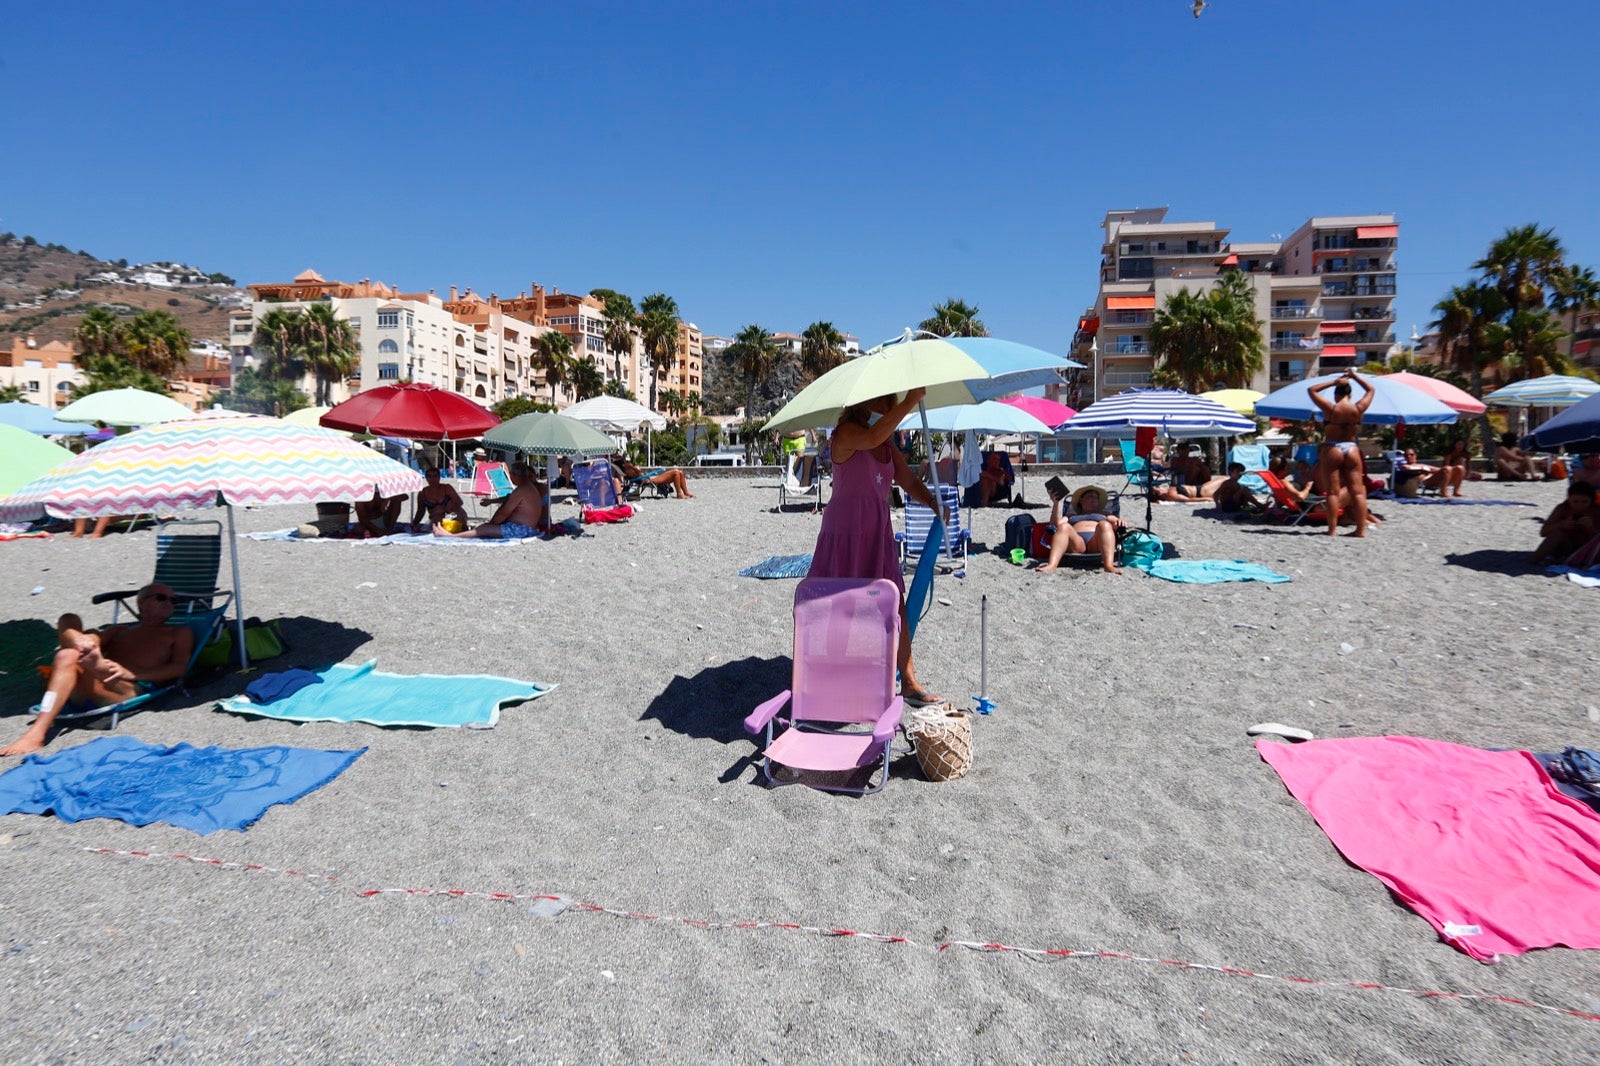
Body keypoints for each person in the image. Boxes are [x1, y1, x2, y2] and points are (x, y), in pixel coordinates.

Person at [809, 388, 945, 706]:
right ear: (860, 404)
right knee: (842, 605)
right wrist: (911, 399)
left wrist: (932, 502)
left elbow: (907, 480)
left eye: (888, 405)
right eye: (877, 402)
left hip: (877, 532)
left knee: (893, 603)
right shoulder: (847, 433)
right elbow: (869, 438)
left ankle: (909, 682)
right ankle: (834, 678)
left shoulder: (884, 443)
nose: (882, 408)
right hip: (845, 532)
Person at [2, 584, 196, 757]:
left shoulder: (178, 632)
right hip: (93, 680)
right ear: (142, 603)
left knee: (74, 654)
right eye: (161, 598)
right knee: (68, 632)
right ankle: (38, 731)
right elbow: (93, 642)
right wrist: (84, 641)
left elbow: (179, 668)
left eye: (173, 600)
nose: (169, 603)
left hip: (130, 686)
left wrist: (132, 674)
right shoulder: (119, 631)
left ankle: (37, 732)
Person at [1309, 371, 1375, 537]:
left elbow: (1312, 390)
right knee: (1358, 491)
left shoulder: (1331, 408)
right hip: (1351, 448)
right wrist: (1355, 376)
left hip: (1333, 447)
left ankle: (1332, 530)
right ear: (1350, 394)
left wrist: (1334, 381)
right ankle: (1360, 530)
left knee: (1333, 492)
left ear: (1335, 394)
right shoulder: (1358, 408)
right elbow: (1371, 390)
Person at [436, 461, 545, 538]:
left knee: (483, 529)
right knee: (485, 528)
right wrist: (491, 501)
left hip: (521, 530)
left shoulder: (521, 490)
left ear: (513, 475)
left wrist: (492, 524)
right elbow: (508, 499)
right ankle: (455, 534)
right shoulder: (528, 487)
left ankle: (451, 536)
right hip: (528, 528)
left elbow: (504, 512)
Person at [1038, 485, 1127, 574]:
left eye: (1096, 497)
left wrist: (1120, 522)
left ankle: (1108, 565)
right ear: (1081, 500)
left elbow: (1116, 523)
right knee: (1063, 527)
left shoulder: (1104, 514)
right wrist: (1056, 504)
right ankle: (1052, 564)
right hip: (1076, 542)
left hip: (1096, 542)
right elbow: (1054, 526)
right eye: (1090, 496)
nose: (1094, 499)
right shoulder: (1071, 516)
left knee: (1105, 524)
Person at [1531, 482, 1598, 565]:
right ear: (1569, 499)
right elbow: (1543, 532)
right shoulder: (1562, 508)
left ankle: (1569, 560)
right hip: (1566, 546)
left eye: (1584, 502)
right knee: (1557, 534)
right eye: (1575, 501)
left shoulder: (1596, 511)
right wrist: (1561, 524)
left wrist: (1590, 527)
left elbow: (1596, 541)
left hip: (1586, 548)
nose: (1579, 505)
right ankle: (1533, 562)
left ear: (1592, 501)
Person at [410, 467, 469, 531]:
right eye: (429, 476)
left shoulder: (447, 488)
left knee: (458, 513)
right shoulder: (423, 493)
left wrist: (445, 508)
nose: (432, 479)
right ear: (426, 478)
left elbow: (459, 502)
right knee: (434, 521)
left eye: (435, 476)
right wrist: (415, 524)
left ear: (439, 477)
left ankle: (464, 529)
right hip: (436, 520)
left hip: (453, 517)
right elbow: (420, 511)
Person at [616, 455, 695, 498]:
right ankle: (679, 494)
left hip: (649, 478)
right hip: (650, 480)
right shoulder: (628, 470)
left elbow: (639, 474)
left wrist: (634, 467)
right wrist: (634, 468)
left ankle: (686, 492)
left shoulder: (628, 469)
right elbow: (639, 475)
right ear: (623, 463)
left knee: (680, 472)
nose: (627, 461)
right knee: (676, 472)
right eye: (625, 461)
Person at [1396, 448, 1465, 497]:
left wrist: (1453, 470)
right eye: (1407, 455)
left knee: (1460, 468)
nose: (1409, 456)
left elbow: (1438, 469)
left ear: (1415, 455)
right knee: (1447, 468)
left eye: (1411, 454)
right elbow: (1406, 468)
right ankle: (1443, 493)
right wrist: (1423, 469)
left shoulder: (1421, 465)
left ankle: (1456, 492)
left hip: (1433, 478)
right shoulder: (1405, 465)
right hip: (1425, 481)